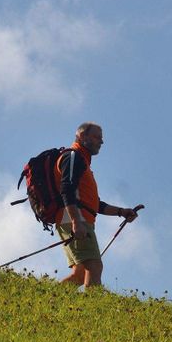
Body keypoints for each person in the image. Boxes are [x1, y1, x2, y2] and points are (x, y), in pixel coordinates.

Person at [53, 122, 139, 288]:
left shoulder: (82, 161)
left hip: (75, 218)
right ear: (82, 136)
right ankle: (92, 303)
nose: (101, 142)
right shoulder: (73, 156)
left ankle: (47, 298)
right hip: (74, 218)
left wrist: (121, 212)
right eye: (97, 137)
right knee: (94, 266)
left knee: (80, 274)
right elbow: (66, 189)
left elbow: (94, 204)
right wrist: (76, 222)